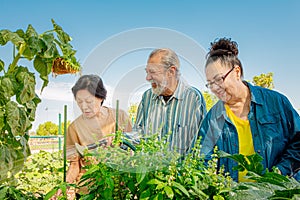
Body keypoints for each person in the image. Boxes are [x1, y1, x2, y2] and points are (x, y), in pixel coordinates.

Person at [198, 38, 300, 182]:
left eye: (219, 80)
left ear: (237, 72)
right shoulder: (213, 119)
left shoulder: (276, 102)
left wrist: (280, 172)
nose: (215, 88)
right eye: (210, 84)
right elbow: (202, 159)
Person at [64, 74, 132, 198]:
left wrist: (121, 145)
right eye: (79, 101)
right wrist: (63, 187)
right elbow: (74, 165)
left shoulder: (120, 117)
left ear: (101, 97)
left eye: (89, 101)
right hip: (87, 192)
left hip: (117, 189)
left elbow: (134, 150)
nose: (84, 106)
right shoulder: (74, 128)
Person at [134, 48, 207, 157]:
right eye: (147, 72)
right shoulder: (147, 97)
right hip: (151, 172)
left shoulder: (193, 98)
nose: (147, 78)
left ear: (171, 72)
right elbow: (138, 133)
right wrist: (120, 140)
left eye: (152, 72)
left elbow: (200, 145)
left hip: (181, 172)